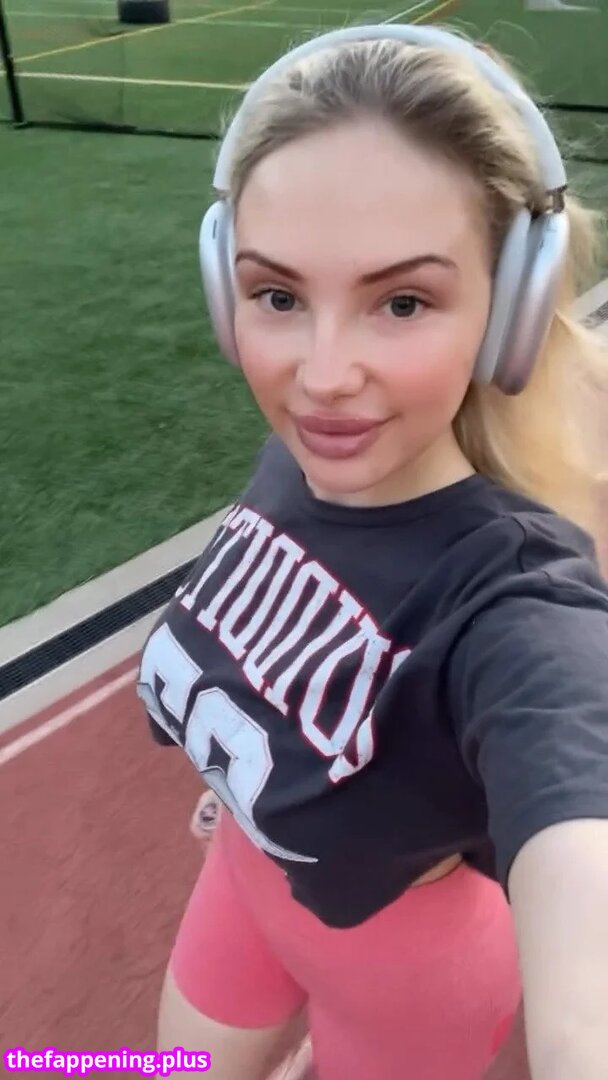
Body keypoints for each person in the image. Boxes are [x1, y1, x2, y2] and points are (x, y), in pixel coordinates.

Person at [137, 21, 608, 1080]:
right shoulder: (303, 461)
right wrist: (256, 780)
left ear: (508, 310)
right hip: (242, 889)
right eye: (277, 297)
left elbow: (583, 910)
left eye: (401, 301)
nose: (321, 375)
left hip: (408, 986)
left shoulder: (516, 610)